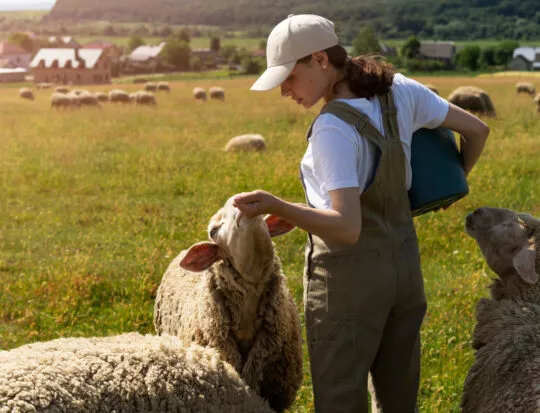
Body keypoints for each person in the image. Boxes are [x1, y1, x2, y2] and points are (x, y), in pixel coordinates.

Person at [233, 14, 489, 413]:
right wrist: (449, 186)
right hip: (404, 269)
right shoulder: (400, 90)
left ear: (320, 60)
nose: (284, 90)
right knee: (399, 400)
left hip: (349, 285)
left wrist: (275, 203)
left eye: (289, 77)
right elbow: (477, 131)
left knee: (340, 402)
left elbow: (347, 228)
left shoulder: (332, 128)